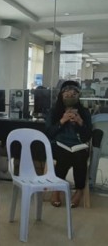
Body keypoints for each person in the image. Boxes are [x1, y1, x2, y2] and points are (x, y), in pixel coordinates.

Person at [46, 80, 92, 208]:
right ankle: (57, 189)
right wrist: (62, 120)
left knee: (80, 155)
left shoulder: (84, 112)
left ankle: (79, 190)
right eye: (66, 93)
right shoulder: (53, 112)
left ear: (78, 96)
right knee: (64, 155)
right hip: (58, 144)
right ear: (61, 95)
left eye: (73, 94)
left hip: (78, 145)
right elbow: (49, 133)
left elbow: (88, 135)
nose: (70, 96)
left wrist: (80, 122)